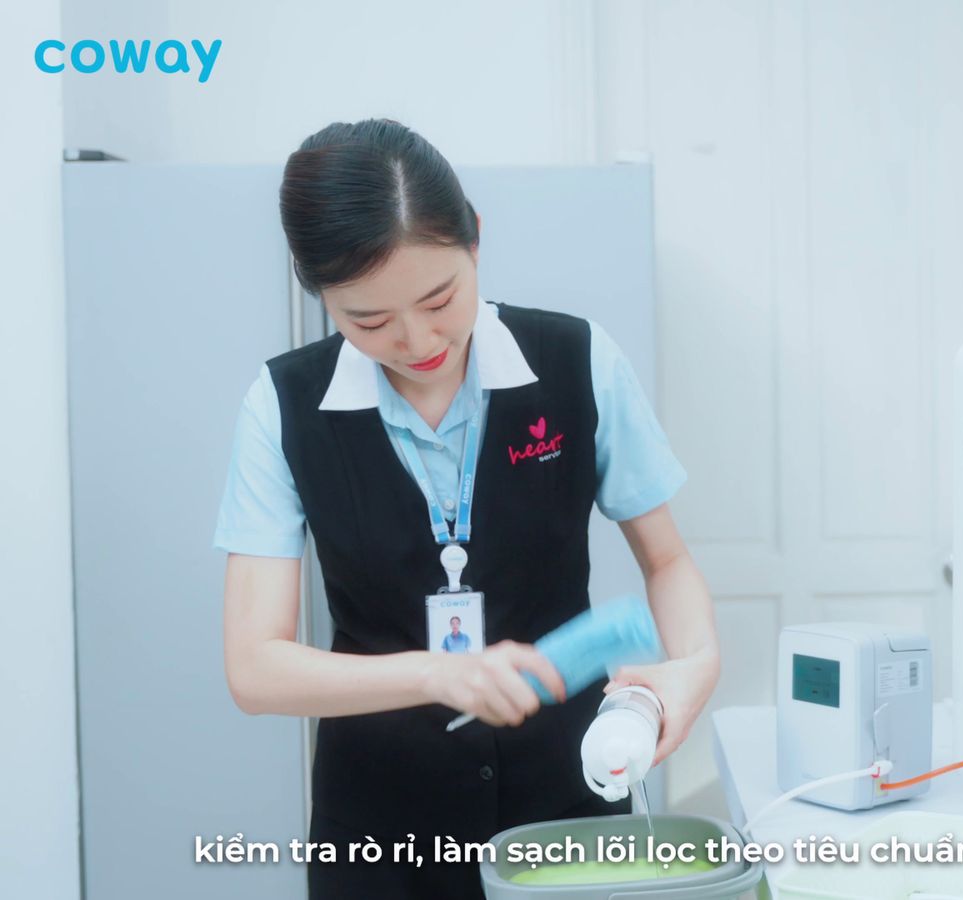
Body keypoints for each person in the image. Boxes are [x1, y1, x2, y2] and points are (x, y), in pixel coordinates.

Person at [213, 118, 719, 899]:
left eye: (440, 298)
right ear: (318, 294)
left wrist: (691, 670)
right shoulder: (281, 406)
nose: (416, 339)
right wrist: (439, 675)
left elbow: (669, 561)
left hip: (570, 800)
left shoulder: (578, 362)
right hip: (381, 826)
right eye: (367, 320)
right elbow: (255, 668)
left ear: (475, 239)